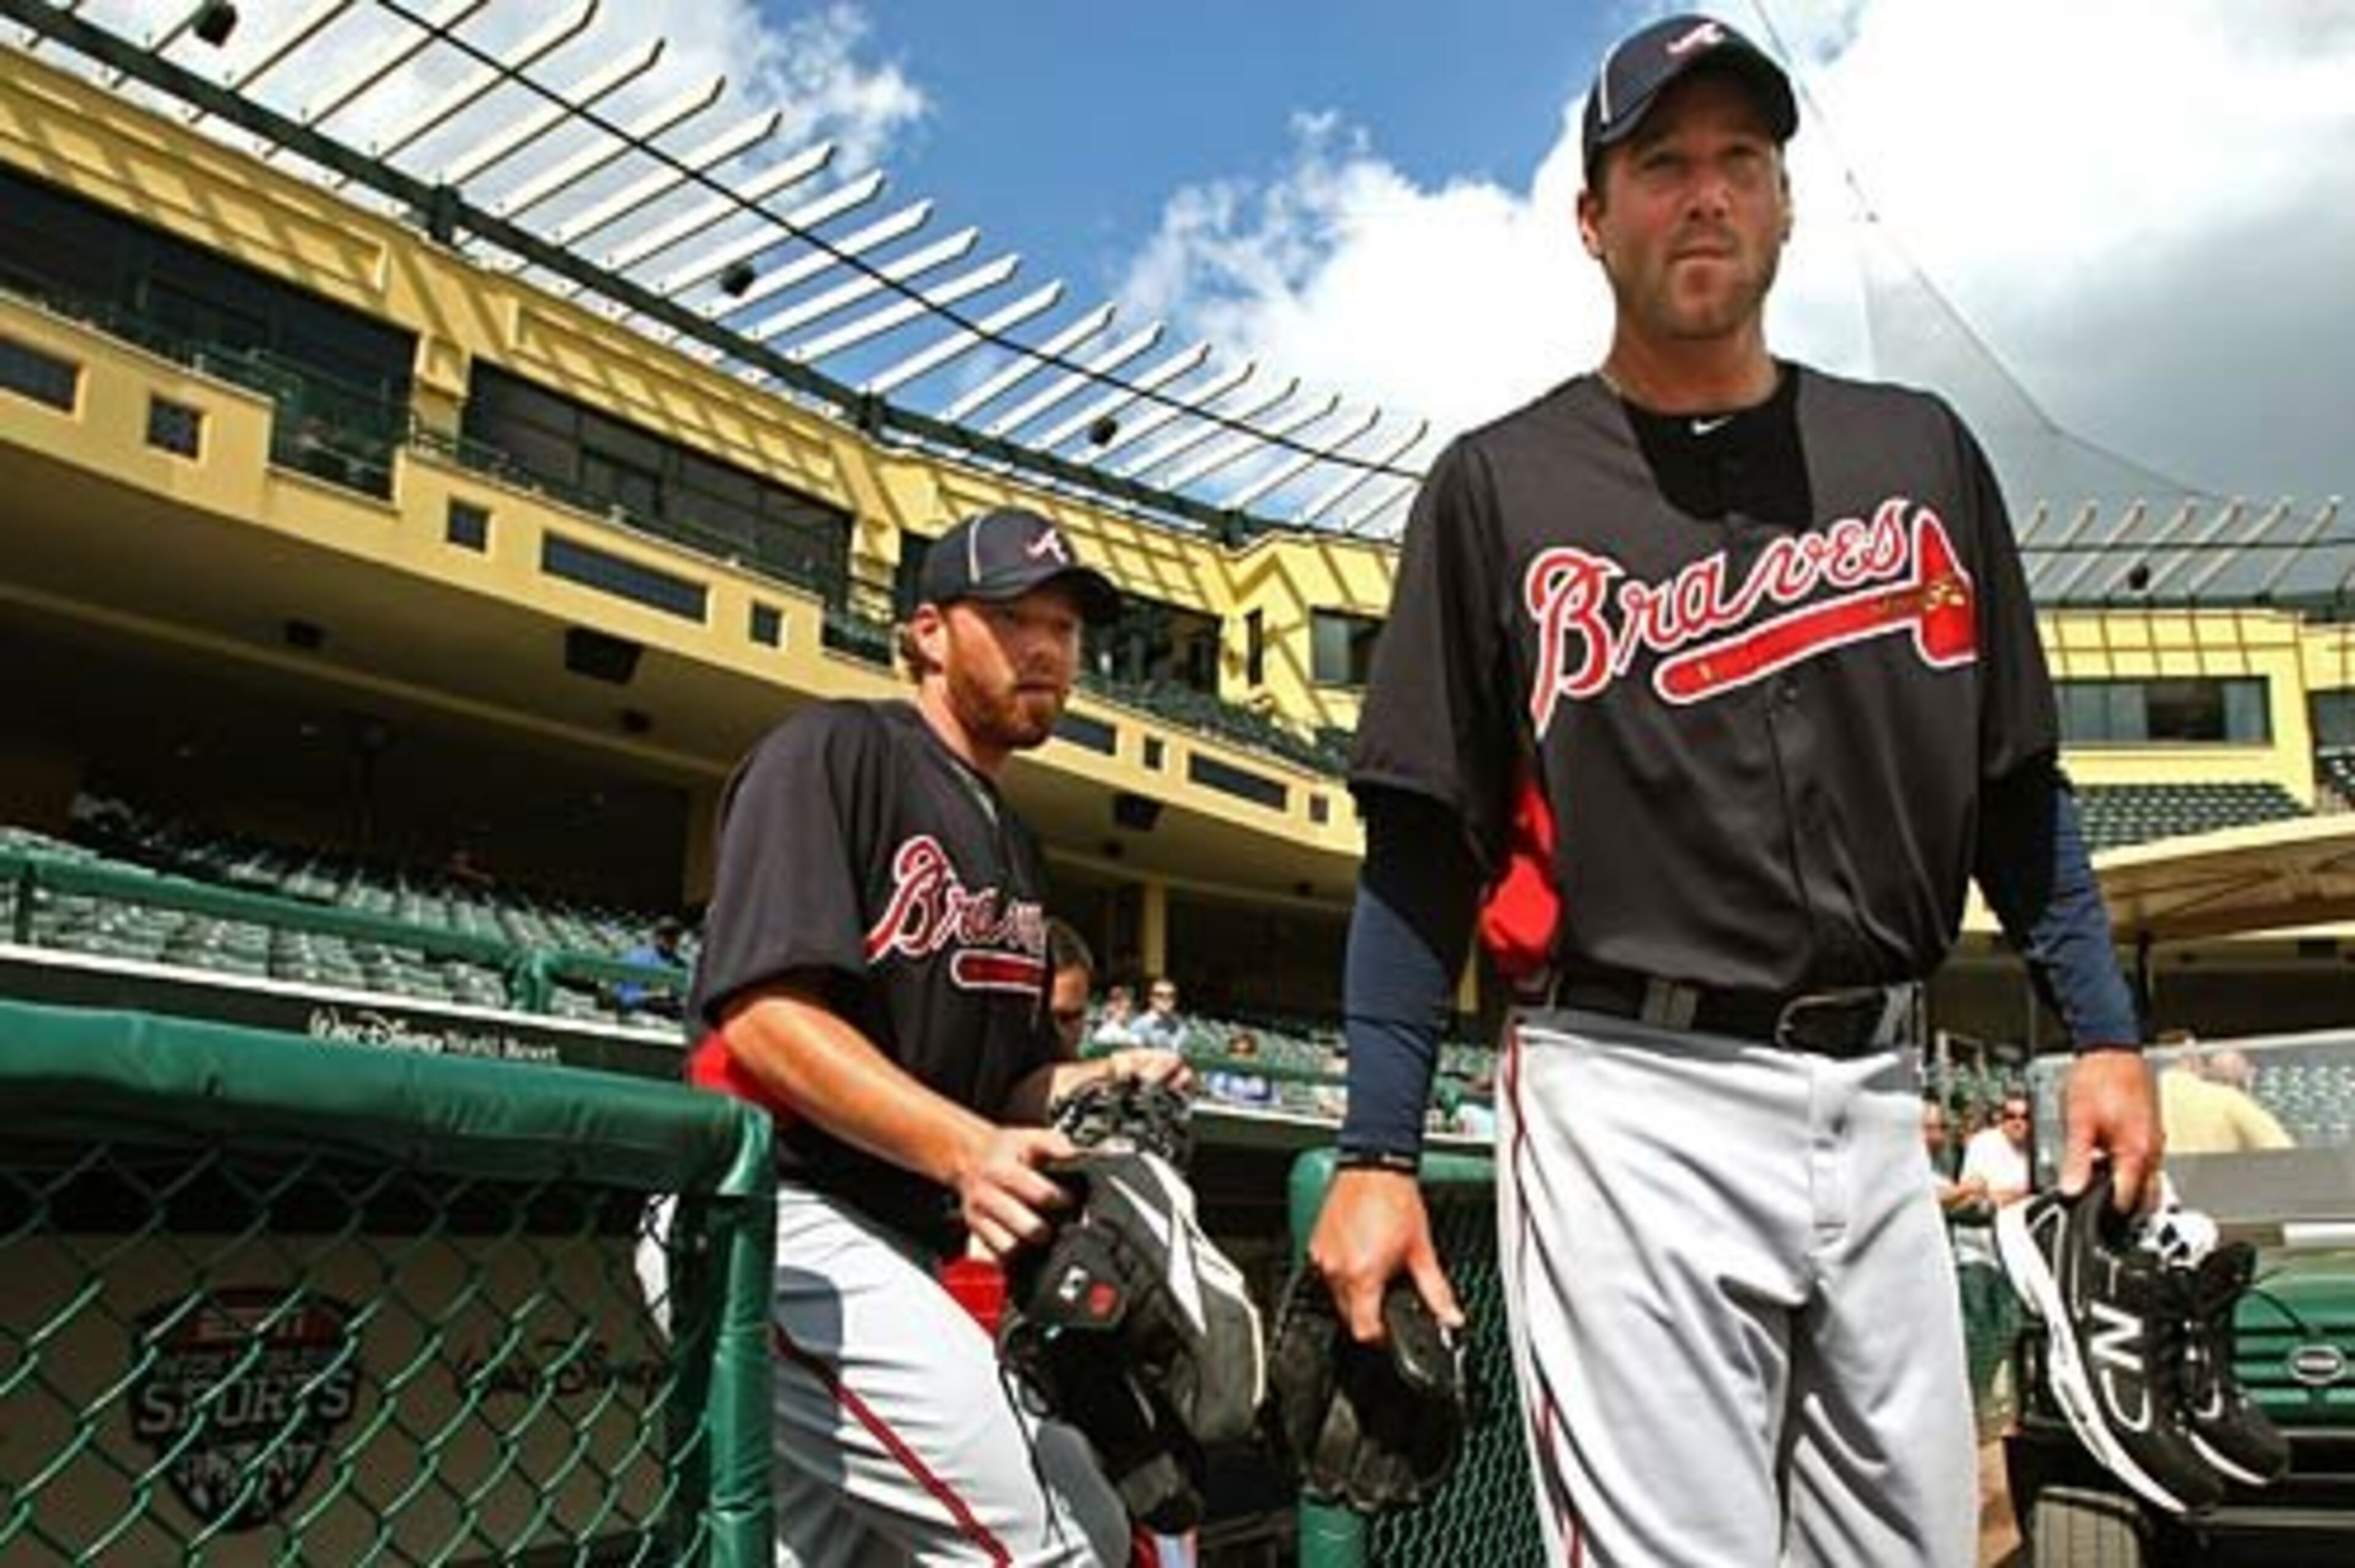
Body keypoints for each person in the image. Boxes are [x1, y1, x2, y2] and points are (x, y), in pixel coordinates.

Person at [1304, 17, 2159, 1566]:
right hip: (1629, 1093)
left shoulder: (1913, 453)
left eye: (1736, 163)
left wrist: (2100, 1028)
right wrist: (1372, 1150)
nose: (1701, 195)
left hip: (1879, 1090)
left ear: (1779, 206)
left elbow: (2014, 787)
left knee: (1900, 1547)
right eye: (1659, 164)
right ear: (1590, 216)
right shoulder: (1499, 487)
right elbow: (1419, 846)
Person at [680, 505, 1188, 1565]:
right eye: (1011, 617)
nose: (1047, 648)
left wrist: (1100, 1076)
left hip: (895, 1238)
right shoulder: (836, 750)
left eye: (1064, 625)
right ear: (926, 631)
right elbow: (766, 1019)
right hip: (776, 1214)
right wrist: (964, 1151)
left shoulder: (1012, 838)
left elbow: (1004, 1086)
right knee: (1060, 1545)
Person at [2156, 1030, 2294, 1155]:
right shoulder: (2226, 1099)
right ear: (2191, 1056)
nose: (2204, 1069)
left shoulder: (2142, 1103)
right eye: (2202, 1059)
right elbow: (2283, 1149)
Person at [614, 916, 689, 1019]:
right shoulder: (637, 957)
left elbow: (681, 997)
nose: (671, 939)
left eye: (675, 935)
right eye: (667, 934)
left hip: (668, 1017)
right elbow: (624, 995)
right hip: (638, 1013)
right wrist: (652, 995)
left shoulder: (681, 965)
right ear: (656, 936)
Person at [1203, 1029, 1275, 1107]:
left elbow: (1273, 1102)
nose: (1240, 1057)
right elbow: (1215, 1095)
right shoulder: (1219, 1074)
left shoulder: (1264, 1078)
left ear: (1255, 1055)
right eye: (1235, 1052)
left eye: (1247, 1053)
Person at [1130, 976, 1192, 1053]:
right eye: (1160, 995)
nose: (1166, 999)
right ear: (1151, 998)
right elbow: (1133, 1057)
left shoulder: (1180, 1025)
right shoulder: (1139, 1025)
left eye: (1171, 995)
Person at [1089, 982, 1141, 1052]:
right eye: (1122, 1009)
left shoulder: (1131, 1027)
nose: (1126, 1013)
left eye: (1128, 1010)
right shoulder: (1106, 1032)